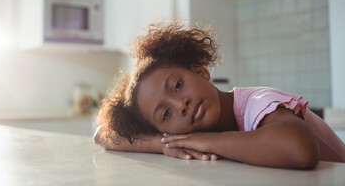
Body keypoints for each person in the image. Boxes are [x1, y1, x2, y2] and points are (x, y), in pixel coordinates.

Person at [94, 20, 345, 169]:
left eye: (178, 85)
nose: (181, 105)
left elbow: (299, 150)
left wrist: (204, 141)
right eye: (166, 113)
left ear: (201, 71)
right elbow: (103, 136)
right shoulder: (182, 133)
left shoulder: (257, 103)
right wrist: (164, 145)